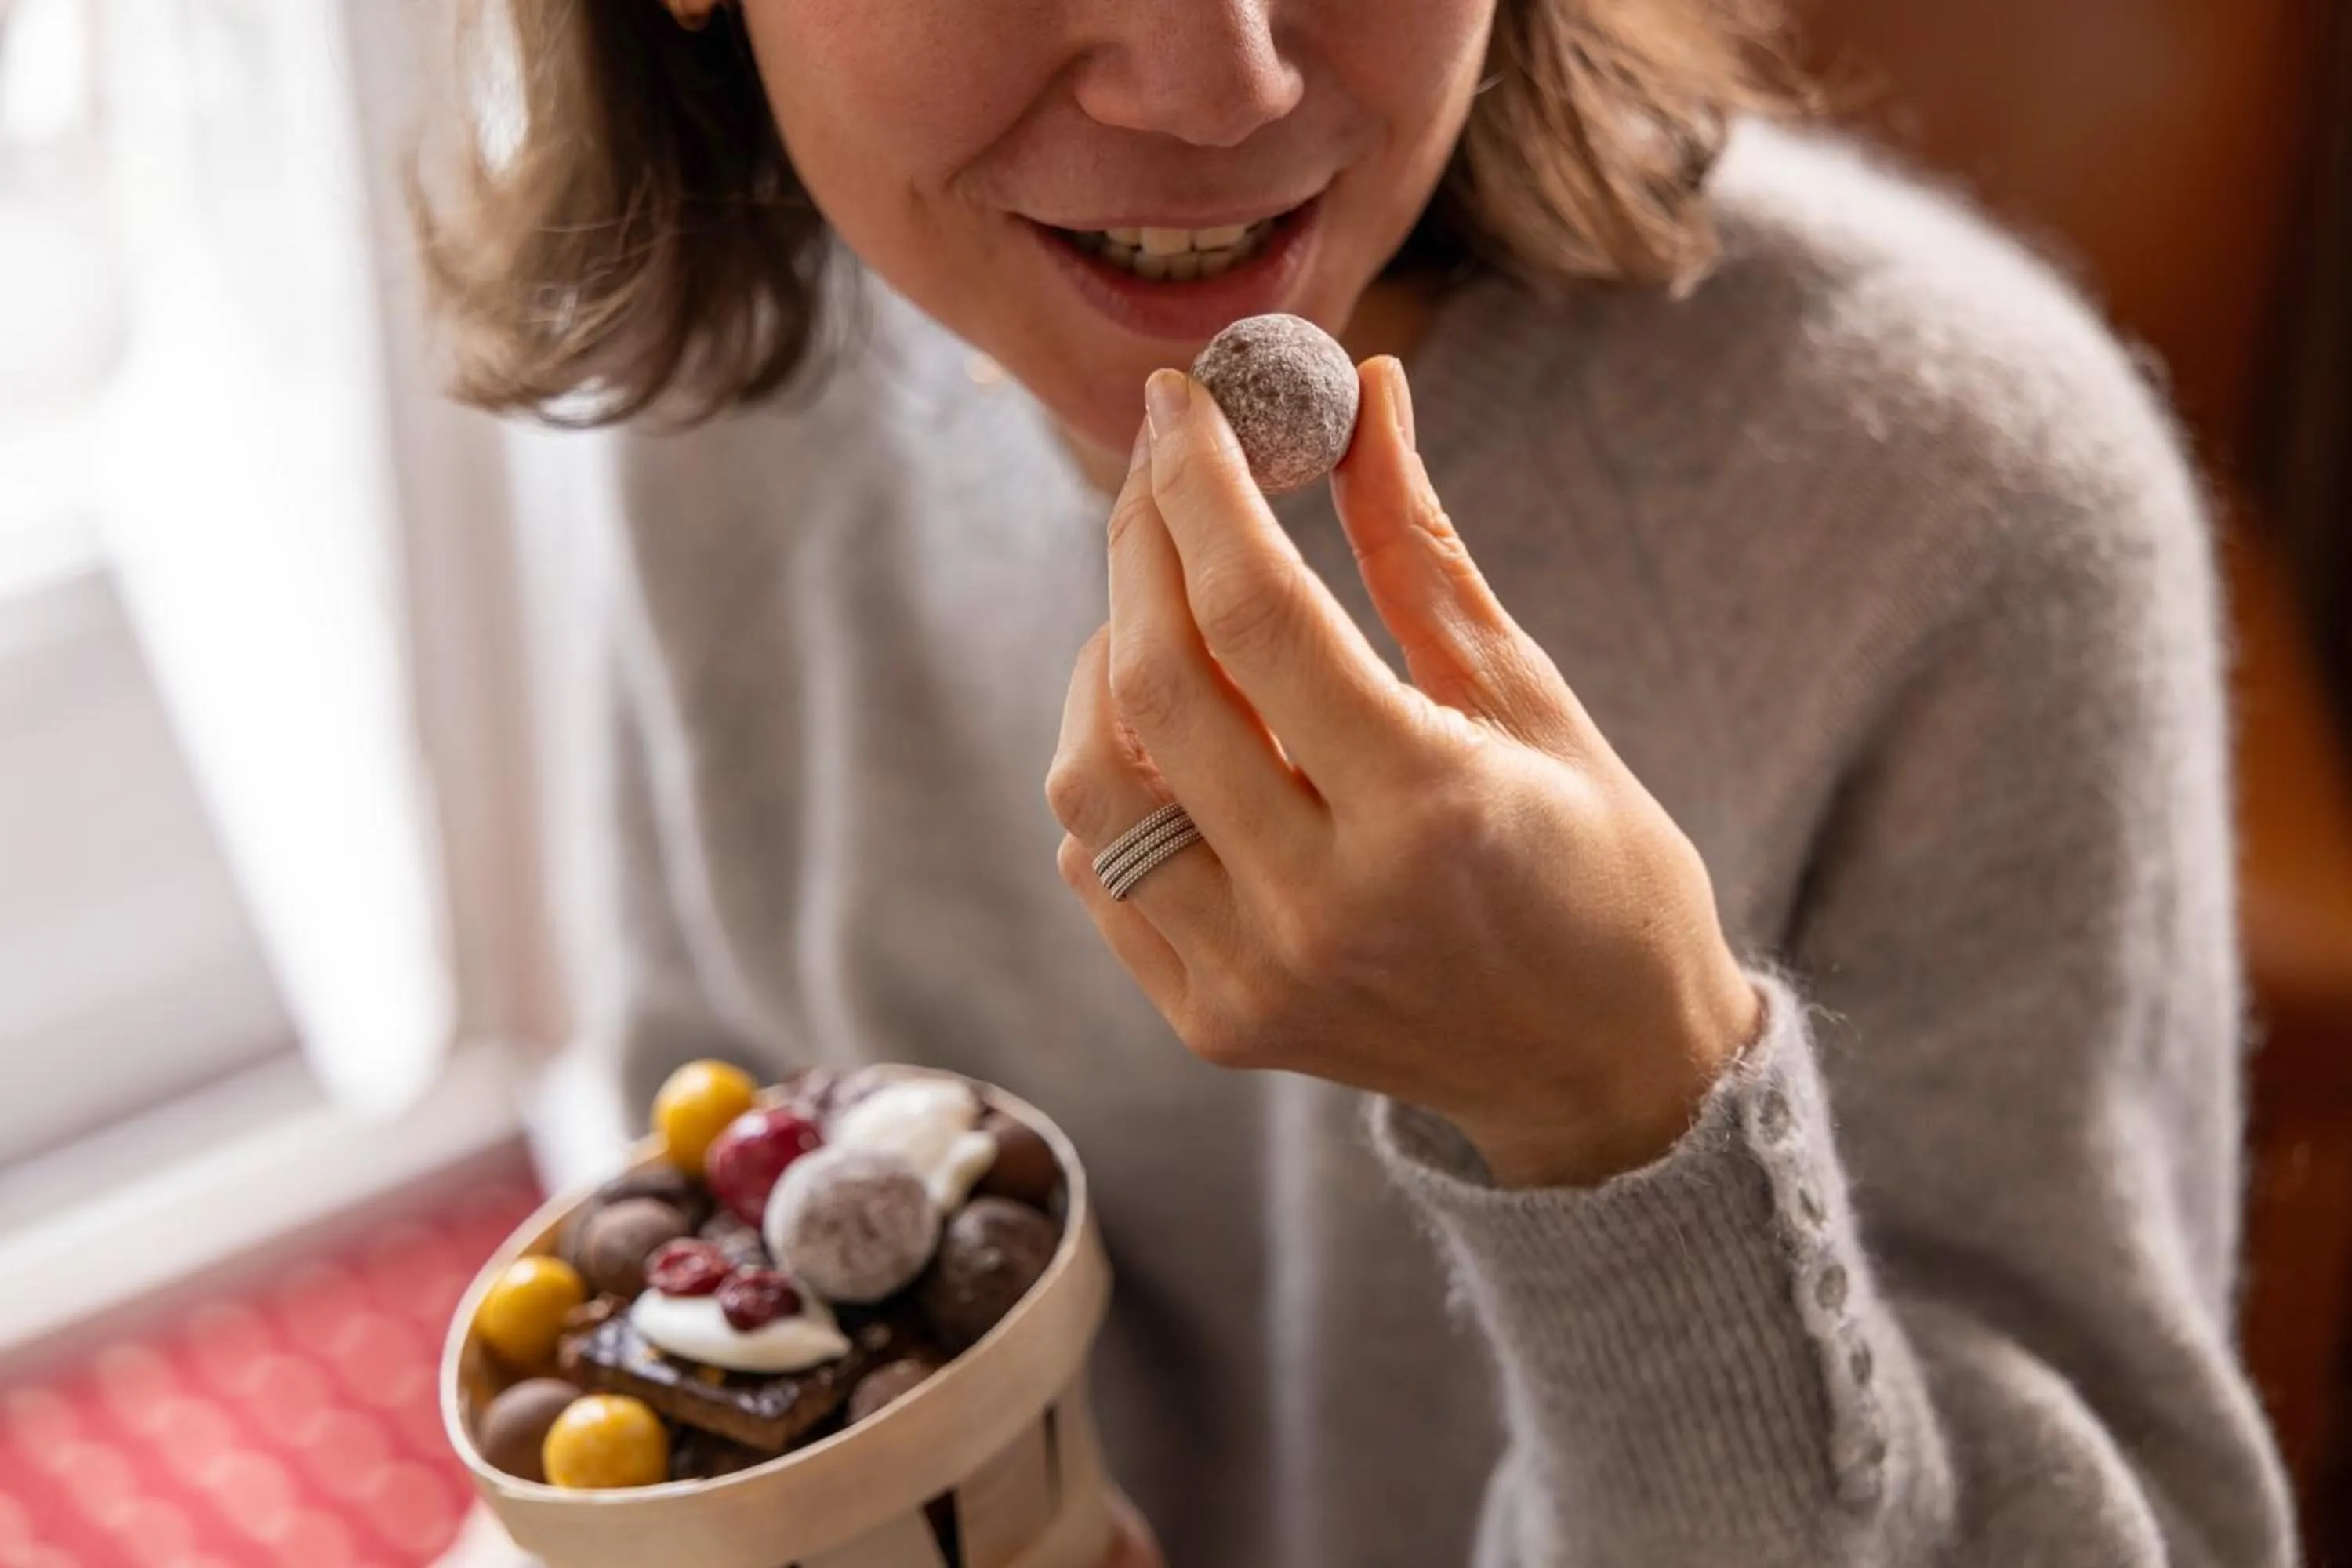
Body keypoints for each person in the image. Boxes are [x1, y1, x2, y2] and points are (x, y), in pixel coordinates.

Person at [416, 0, 2297, 1562]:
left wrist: (1622, 1117)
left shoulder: (1965, 516)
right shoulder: (740, 381)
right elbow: (709, 1161)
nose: (1218, 79)